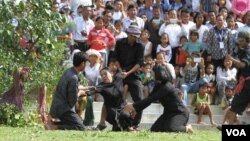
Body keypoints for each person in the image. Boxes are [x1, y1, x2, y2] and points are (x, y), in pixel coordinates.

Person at [123, 64, 193, 133]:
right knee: (155, 129)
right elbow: (149, 99)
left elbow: (151, 99)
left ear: (158, 74)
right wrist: (136, 109)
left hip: (179, 113)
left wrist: (133, 106)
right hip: (168, 113)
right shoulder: (158, 85)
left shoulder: (167, 87)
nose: (151, 73)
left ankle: (187, 128)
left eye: (153, 72)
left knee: (172, 129)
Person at [46, 52, 90, 130]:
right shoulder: (74, 78)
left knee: (76, 122)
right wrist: (80, 93)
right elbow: (72, 100)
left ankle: (53, 123)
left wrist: (80, 88)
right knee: (81, 127)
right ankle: (54, 126)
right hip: (63, 109)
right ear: (83, 63)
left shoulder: (69, 71)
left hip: (57, 107)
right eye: (86, 63)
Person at [113, 24, 144, 130]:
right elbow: (115, 58)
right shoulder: (119, 42)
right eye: (132, 36)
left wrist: (128, 73)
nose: (134, 38)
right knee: (115, 96)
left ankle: (135, 124)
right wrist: (121, 71)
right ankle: (116, 122)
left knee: (140, 99)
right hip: (120, 72)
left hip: (134, 74)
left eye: (136, 36)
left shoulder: (140, 45)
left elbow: (139, 63)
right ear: (127, 34)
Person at [223, 31, 250, 124]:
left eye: (242, 41)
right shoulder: (240, 48)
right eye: (239, 41)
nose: (240, 43)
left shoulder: (248, 50)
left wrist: (231, 59)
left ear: (248, 40)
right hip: (244, 84)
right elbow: (233, 54)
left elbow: (243, 65)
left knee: (235, 106)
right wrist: (230, 56)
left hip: (248, 83)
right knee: (234, 106)